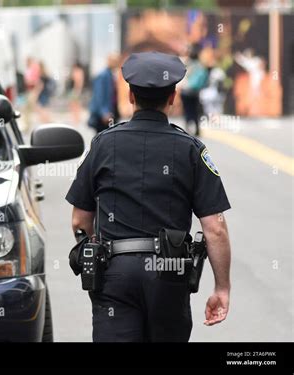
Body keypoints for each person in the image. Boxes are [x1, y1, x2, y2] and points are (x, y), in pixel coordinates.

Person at [66, 51, 232, 342]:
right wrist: (222, 288)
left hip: (114, 275)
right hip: (170, 274)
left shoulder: (103, 145)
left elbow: (80, 219)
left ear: (130, 96)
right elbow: (215, 228)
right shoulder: (191, 150)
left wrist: (98, 254)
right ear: (173, 97)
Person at [180, 44, 208, 136]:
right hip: (195, 92)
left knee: (187, 110)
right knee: (195, 110)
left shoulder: (187, 65)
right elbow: (204, 80)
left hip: (185, 91)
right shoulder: (201, 67)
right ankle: (197, 129)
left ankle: (188, 128)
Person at [88, 53, 120, 133]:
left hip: (111, 112)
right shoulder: (103, 75)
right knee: (102, 137)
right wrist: (104, 113)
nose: (116, 62)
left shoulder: (111, 74)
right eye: (114, 60)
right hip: (104, 115)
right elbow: (99, 95)